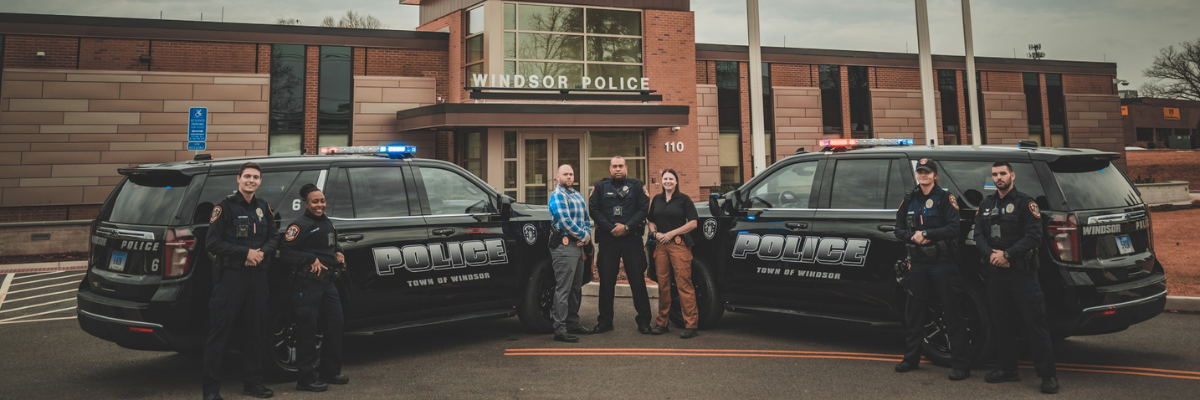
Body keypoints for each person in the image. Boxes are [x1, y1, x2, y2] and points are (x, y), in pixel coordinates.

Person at [974, 161, 1058, 394]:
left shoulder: (1026, 203)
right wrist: (991, 254)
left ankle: (1048, 375)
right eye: (994, 174)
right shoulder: (986, 204)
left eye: (1002, 173)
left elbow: (1034, 236)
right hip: (996, 274)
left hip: (1021, 273)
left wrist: (1008, 254)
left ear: (1013, 175)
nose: (998, 177)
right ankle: (1007, 369)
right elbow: (978, 232)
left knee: (1035, 324)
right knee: (1002, 323)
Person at [203, 162, 277, 400]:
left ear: (260, 181)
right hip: (231, 279)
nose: (251, 180)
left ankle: (253, 383)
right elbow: (212, 243)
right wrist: (245, 253)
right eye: (247, 176)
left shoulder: (263, 207)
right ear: (238, 179)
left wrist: (261, 253)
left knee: (256, 331)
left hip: (257, 278)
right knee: (219, 334)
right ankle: (211, 391)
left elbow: (275, 236)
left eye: (255, 177)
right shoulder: (224, 207)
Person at [893, 158, 971, 380]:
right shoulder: (910, 199)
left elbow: (954, 227)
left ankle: (960, 365)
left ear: (935, 175)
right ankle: (911, 359)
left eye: (927, 172)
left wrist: (927, 234)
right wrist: (913, 237)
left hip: (943, 263)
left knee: (952, 312)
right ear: (916, 175)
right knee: (915, 312)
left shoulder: (945, 198)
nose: (923, 175)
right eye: (920, 172)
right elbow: (898, 228)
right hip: (918, 263)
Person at [277, 183, 350, 392]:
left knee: (335, 325)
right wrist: (310, 258)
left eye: (322, 201)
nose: (320, 205)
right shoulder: (299, 225)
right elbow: (285, 253)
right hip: (307, 285)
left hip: (327, 283)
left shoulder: (327, 223)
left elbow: (332, 244)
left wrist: (339, 252)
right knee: (307, 332)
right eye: (315, 202)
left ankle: (330, 371)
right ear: (306, 204)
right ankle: (306, 379)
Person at [588, 156, 653, 334]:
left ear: (626, 168)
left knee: (637, 280)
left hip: (631, 239)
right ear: (610, 169)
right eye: (615, 166)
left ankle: (644, 321)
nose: (618, 169)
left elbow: (643, 209)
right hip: (609, 240)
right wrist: (611, 228)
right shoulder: (600, 187)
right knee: (607, 281)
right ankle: (605, 321)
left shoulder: (637, 186)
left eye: (621, 166)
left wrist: (626, 227)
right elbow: (593, 209)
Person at [646, 169, 700, 339]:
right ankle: (662, 323)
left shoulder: (683, 200)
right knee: (663, 284)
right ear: (661, 181)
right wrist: (655, 233)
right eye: (665, 178)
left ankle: (691, 325)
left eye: (671, 178)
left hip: (679, 245)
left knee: (684, 284)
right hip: (661, 246)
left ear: (676, 182)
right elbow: (651, 220)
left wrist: (672, 233)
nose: (668, 181)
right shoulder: (657, 199)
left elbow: (693, 223)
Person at [547, 164, 595, 342]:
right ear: (557, 177)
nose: (569, 176)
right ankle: (560, 329)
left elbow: (584, 218)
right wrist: (583, 235)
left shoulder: (578, 195)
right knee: (563, 289)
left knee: (576, 288)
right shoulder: (557, 196)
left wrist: (586, 235)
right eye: (565, 174)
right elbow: (564, 220)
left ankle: (573, 323)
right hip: (564, 247)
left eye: (571, 174)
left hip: (578, 245)